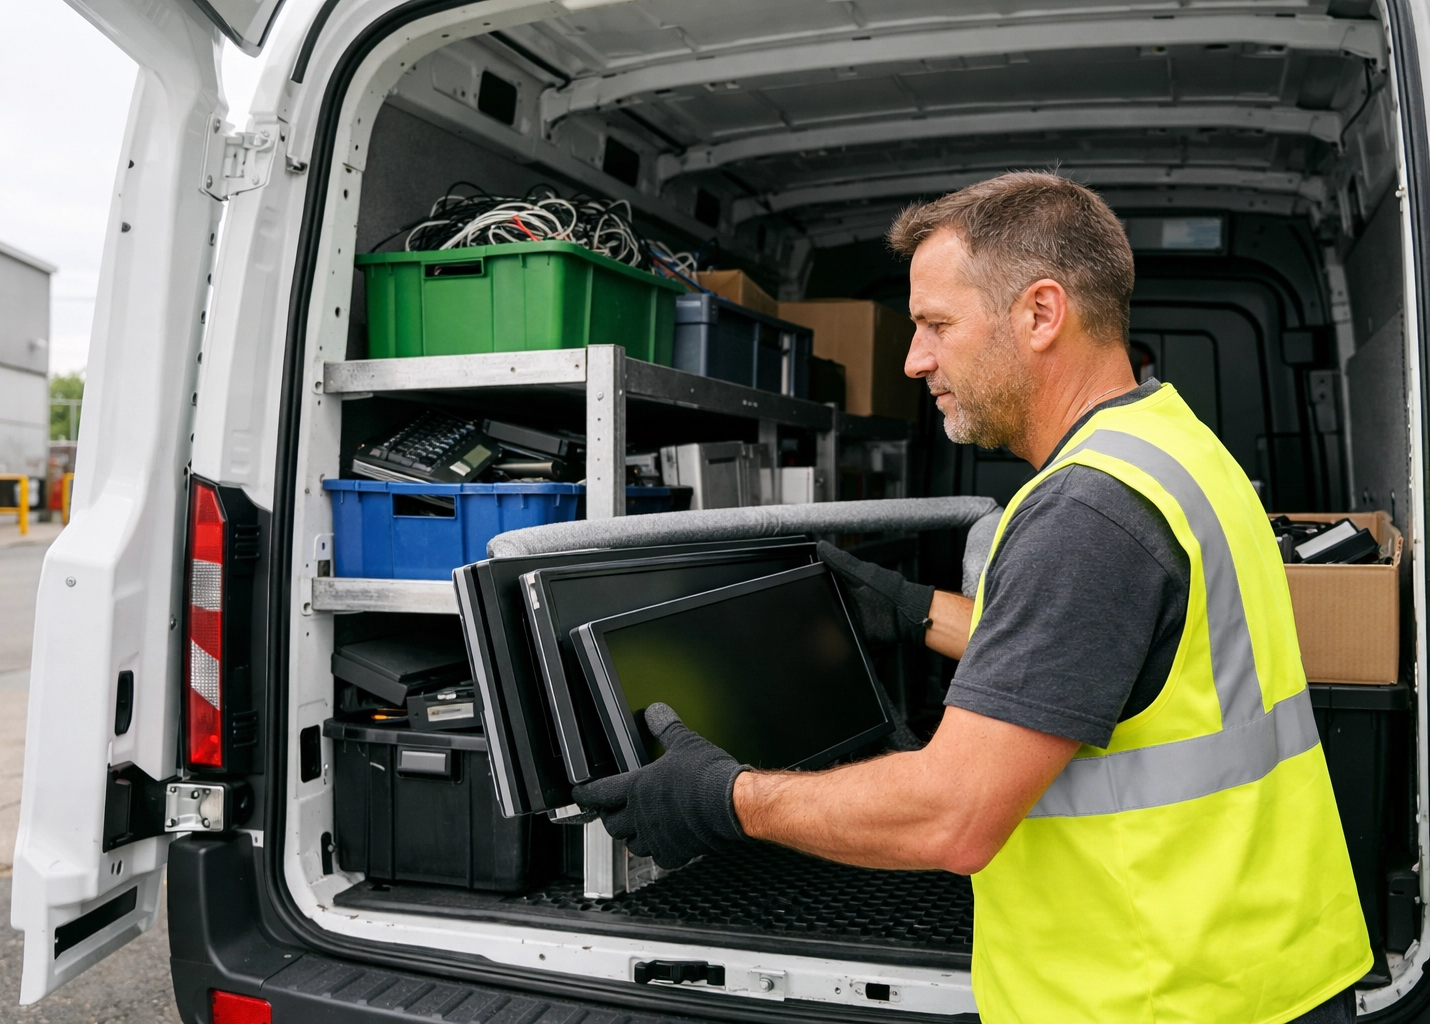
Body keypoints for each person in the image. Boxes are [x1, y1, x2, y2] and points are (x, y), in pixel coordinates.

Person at [573, 172, 1371, 1023]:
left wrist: (723, 800)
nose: (915, 359)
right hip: (1264, 962)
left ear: (1040, 313)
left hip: (1155, 994)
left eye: (935, 325)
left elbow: (952, 816)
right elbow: (1109, 658)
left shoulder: (1086, 511)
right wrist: (916, 612)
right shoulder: (1171, 443)